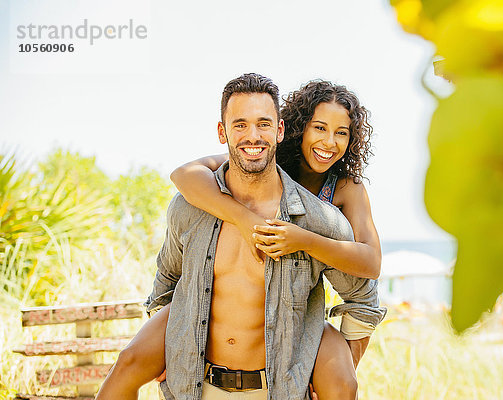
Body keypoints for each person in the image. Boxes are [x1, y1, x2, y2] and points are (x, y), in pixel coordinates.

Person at [96, 73, 385, 400]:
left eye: (341, 132)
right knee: (127, 362)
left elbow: (369, 271)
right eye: (319, 128)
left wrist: (340, 364)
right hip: (201, 371)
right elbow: (183, 184)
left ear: (277, 130)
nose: (329, 142)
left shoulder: (335, 203)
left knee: (342, 383)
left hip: (289, 345)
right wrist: (245, 219)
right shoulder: (228, 179)